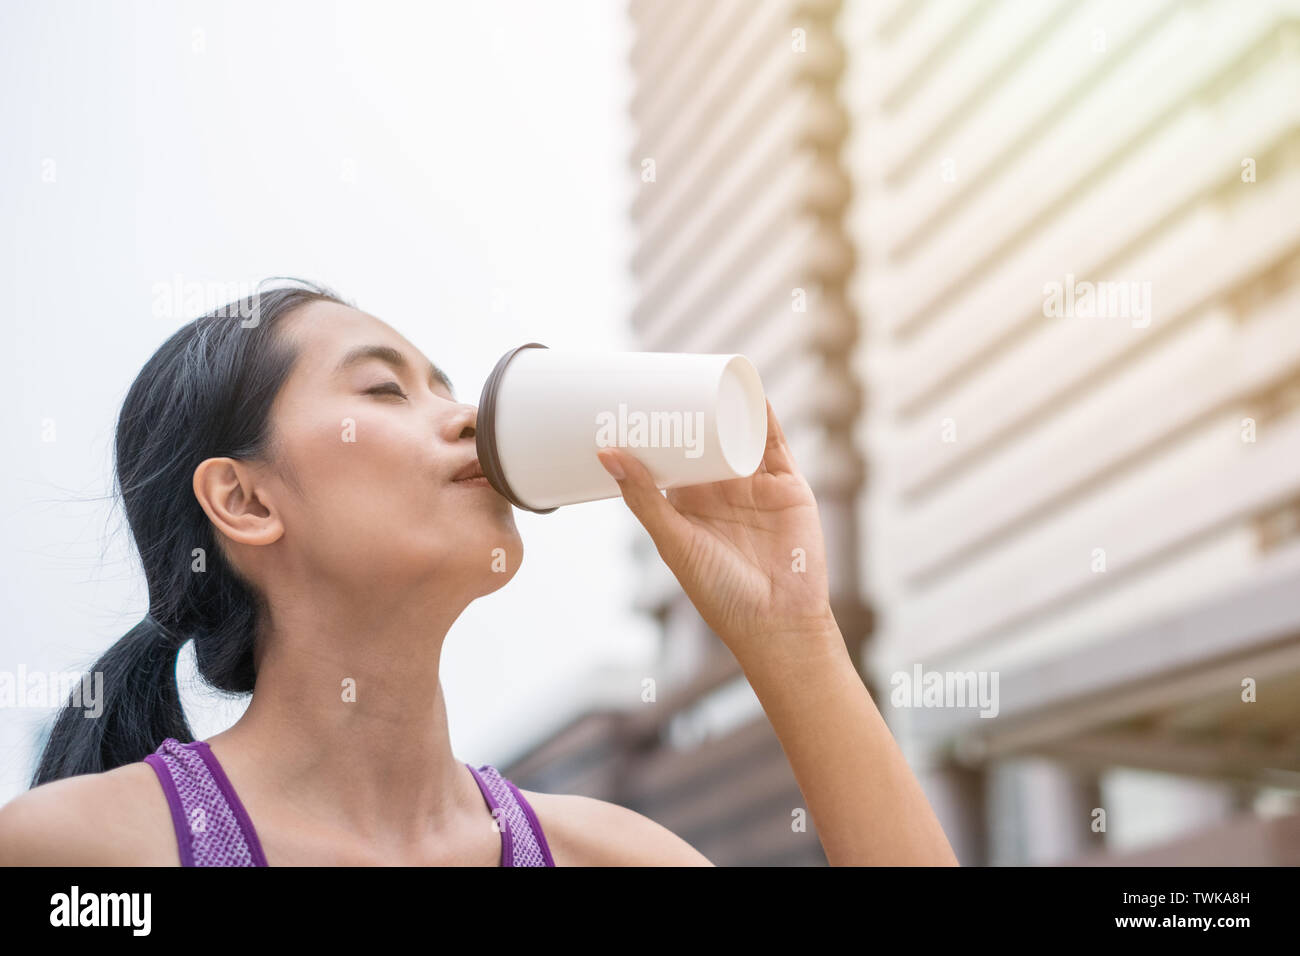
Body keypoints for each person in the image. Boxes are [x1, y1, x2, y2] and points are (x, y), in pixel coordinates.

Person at [0, 279, 957, 866]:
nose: (466, 418)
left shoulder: (609, 856)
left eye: (449, 388)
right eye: (385, 389)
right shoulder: (80, 855)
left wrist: (795, 637)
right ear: (245, 502)